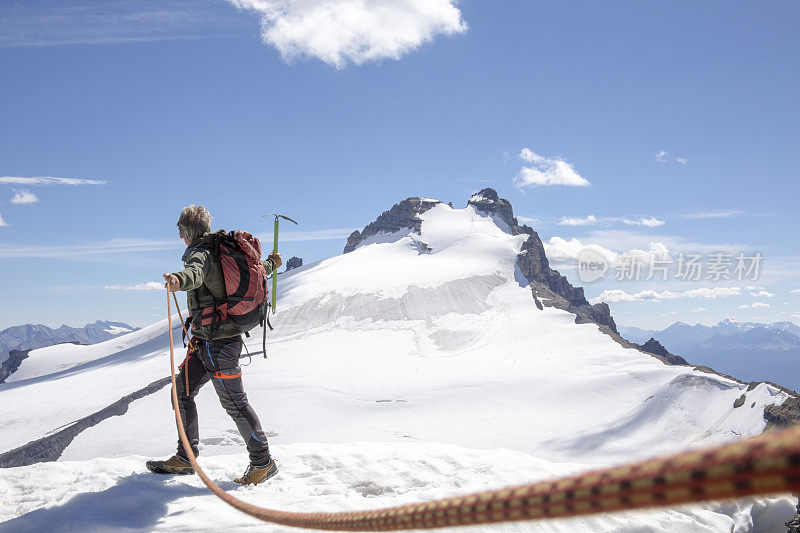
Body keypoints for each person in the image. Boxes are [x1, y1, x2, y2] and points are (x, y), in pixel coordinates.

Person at [146, 205, 282, 486]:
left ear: (185, 232)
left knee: (235, 403)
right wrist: (271, 264)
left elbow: (194, 274)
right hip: (208, 342)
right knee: (181, 392)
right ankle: (186, 458)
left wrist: (177, 280)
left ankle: (262, 463)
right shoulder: (222, 249)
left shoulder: (201, 252)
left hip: (218, 345)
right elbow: (254, 271)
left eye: (180, 232)